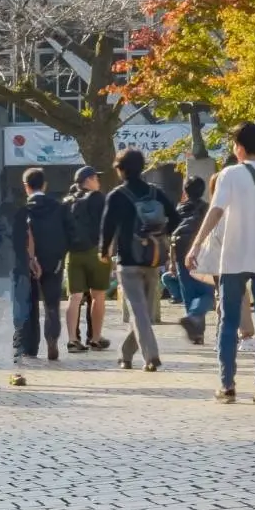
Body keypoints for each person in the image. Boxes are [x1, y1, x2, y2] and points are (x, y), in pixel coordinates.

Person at [187, 123, 255, 404]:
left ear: (240, 148)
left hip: (233, 258)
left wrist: (197, 244)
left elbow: (216, 210)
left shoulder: (229, 175)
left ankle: (228, 384)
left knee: (228, 320)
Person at [99, 148, 178, 371]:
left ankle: (150, 356)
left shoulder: (117, 195)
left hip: (128, 261)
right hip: (153, 260)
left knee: (139, 312)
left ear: (120, 169)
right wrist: (160, 235)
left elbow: (107, 227)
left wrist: (103, 251)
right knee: (144, 313)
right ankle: (129, 354)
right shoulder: (156, 193)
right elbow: (176, 217)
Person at [14, 168, 71, 361]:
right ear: (45, 185)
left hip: (29, 262)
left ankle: (30, 347)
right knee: (52, 304)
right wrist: (61, 255)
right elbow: (69, 232)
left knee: (29, 304)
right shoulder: (59, 207)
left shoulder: (22, 210)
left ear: (26, 187)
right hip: (54, 261)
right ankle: (52, 338)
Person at [63, 166, 110, 352]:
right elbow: (107, 224)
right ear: (89, 180)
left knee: (74, 297)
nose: (98, 182)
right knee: (98, 295)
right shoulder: (98, 198)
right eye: (96, 178)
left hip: (73, 253)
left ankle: (72, 340)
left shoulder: (67, 201)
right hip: (96, 252)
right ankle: (96, 338)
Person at [163, 176, 213, 345]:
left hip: (181, 255)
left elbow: (171, 236)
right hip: (202, 255)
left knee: (189, 294)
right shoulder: (207, 209)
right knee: (207, 294)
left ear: (185, 191)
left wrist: (171, 260)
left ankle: (196, 334)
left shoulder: (178, 210)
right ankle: (193, 320)